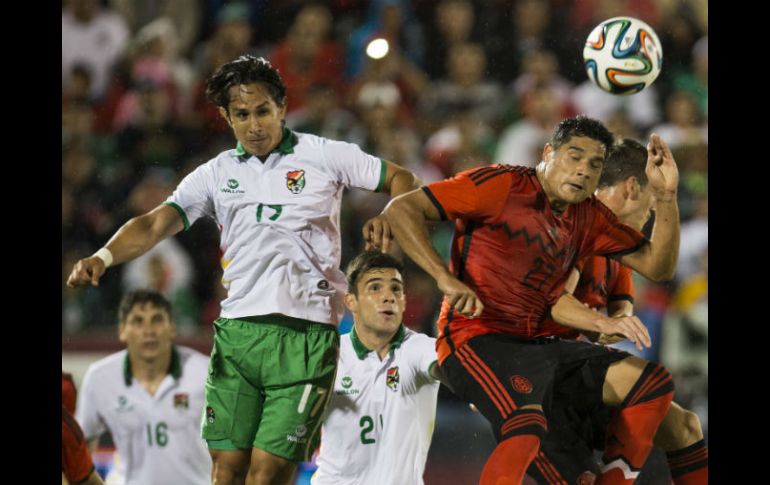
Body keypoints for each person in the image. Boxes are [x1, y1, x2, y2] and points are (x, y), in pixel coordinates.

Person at [67, 55, 420, 485]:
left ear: (282, 108)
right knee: (226, 471)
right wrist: (103, 257)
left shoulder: (325, 155)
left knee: (267, 474)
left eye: (262, 111)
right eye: (242, 114)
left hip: (306, 335)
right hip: (237, 334)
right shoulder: (215, 174)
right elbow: (154, 223)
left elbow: (403, 179)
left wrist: (389, 212)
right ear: (226, 117)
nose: (254, 125)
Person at [383, 116, 680, 485]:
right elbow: (401, 209)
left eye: (594, 164)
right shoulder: (500, 185)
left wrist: (665, 196)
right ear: (548, 153)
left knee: (652, 382)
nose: (583, 170)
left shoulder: (589, 217)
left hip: (541, 348)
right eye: (574, 156)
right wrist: (444, 278)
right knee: (526, 426)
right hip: (475, 338)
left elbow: (658, 266)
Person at [531, 138, 707, 484]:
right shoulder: (577, 223)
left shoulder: (615, 244)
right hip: (533, 383)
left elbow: (632, 294)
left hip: (571, 377)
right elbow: (553, 303)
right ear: (631, 187)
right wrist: (602, 322)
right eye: (651, 205)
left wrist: (616, 320)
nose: (651, 215)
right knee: (652, 381)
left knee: (684, 426)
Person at [312, 251, 441, 485]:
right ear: (351, 301)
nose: (388, 297)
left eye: (396, 289)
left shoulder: (419, 348)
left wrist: (468, 383)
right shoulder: (328, 355)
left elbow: (449, 367)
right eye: (374, 288)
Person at [76, 290, 211, 485]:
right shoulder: (100, 378)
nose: (149, 331)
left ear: (172, 328)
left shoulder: (204, 372)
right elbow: (80, 451)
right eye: (138, 321)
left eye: (157, 319)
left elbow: (231, 443)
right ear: (122, 331)